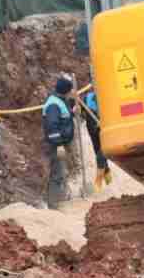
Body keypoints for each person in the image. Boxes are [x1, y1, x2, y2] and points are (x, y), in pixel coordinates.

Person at [41, 77, 76, 210]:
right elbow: (52, 127)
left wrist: (72, 113)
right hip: (56, 145)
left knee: (61, 172)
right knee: (57, 173)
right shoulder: (53, 105)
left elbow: (63, 119)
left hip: (61, 143)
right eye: (70, 90)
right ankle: (54, 204)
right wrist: (59, 145)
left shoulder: (60, 101)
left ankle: (60, 199)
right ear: (65, 91)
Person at [76, 87, 112, 191]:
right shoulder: (87, 98)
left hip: (105, 131)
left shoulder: (108, 101)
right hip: (92, 131)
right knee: (98, 152)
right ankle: (107, 174)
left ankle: (98, 181)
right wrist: (76, 108)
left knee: (101, 153)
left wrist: (105, 121)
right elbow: (78, 108)